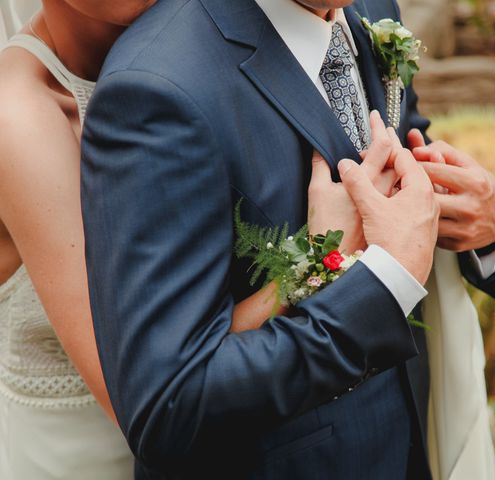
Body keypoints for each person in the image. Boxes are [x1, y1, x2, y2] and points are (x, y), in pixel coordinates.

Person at [81, 0, 495, 479]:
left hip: (408, 439)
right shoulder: (157, 88)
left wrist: (493, 221)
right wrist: (377, 282)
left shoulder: (368, 10)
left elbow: (405, 155)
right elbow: (170, 407)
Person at [0, 0, 327, 477]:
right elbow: (143, 395)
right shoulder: (19, 116)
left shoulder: (213, 46)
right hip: (84, 459)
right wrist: (317, 259)